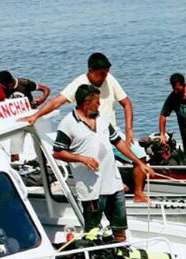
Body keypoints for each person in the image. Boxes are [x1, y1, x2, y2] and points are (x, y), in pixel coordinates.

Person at [51, 84, 151, 242]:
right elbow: (57, 152)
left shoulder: (101, 119)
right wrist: (82, 159)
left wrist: (139, 162)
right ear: (86, 103)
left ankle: (121, 253)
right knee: (92, 233)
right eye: (97, 102)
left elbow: (118, 142)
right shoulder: (68, 124)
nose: (99, 105)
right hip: (91, 190)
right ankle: (95, 258)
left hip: (114, 184)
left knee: (120, 230)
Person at [24, 52, 135, 145]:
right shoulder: (79, 83)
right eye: (101, 74)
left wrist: (129, 130)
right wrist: (35, 116)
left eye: (106, 73)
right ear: (91, 71)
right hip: (92, 137)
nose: (104, 77)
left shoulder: (109, 79)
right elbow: (56, 102)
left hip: (113, 132)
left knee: (140, 156)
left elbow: (126, 103)